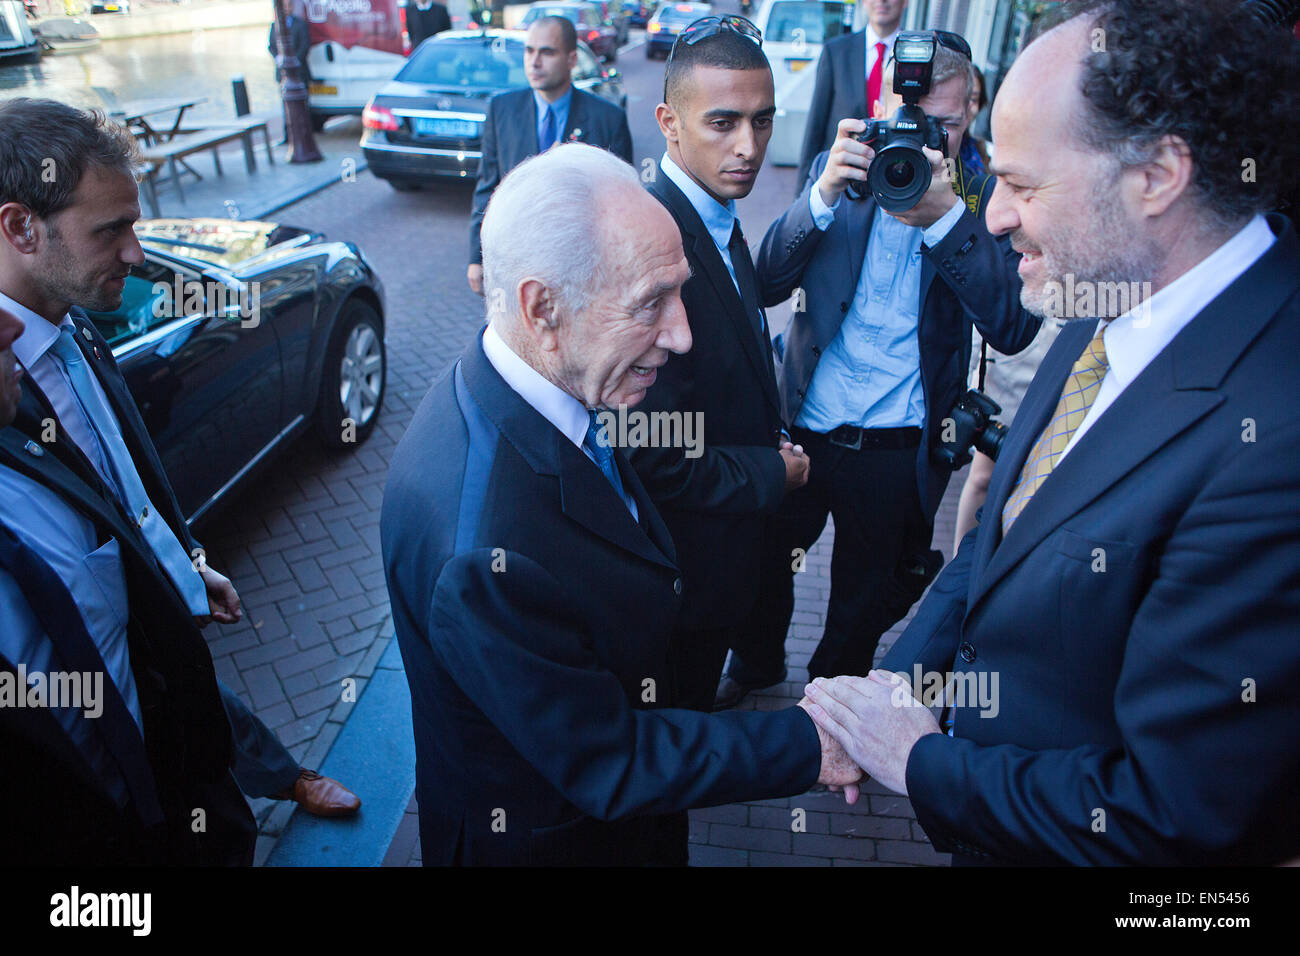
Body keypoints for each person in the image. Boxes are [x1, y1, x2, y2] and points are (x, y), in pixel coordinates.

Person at [803, 0, 1300, 865]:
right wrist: (891, 689)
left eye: (1025, 187)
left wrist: (918, 760)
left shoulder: (1277, 440)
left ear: (1156, 176)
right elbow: (995, 549)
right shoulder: (1100, 290)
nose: (992, 216)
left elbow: (1169, 816)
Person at [382, 143, 860, 867]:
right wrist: (812, 744)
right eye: (648, 305)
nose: (681, 334)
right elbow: (608, 758)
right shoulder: (481, 547)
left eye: (681, 294)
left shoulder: (558, 380)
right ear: (542, 308)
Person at [0, 99, 359, 848]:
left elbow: (129, 489)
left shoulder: (77, 331)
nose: (135, 253)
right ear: (20, 227)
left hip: (177, 732)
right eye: (111, 230)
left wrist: (184, 562)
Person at [716, 36, 1039, 709]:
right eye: (909, 114)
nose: (923, 136)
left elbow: (1013, 326)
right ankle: (757, 663)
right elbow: (766, 282)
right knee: (762, 559)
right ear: (881, 104)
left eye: (944, 125)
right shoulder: (843, 169)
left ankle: (828, 706)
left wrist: (947, 218)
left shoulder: (982, 197)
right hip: (807, 424)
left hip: (898, 442)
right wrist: (823, 194)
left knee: (862, 598)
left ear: (969, 116)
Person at [629, 17, 809, 713]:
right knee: (681, 728)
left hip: (730, 552)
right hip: (688, 575)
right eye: (725, 123)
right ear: (669, 122)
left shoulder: (718, 216)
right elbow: (652, 453)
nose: (750, 148)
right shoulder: (656, 248)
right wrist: (776, 472)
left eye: (763, 122)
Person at [467, 16, 634, 295]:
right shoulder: (501, 111)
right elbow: (487, 189)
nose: (534, 61)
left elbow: (621, 203)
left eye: (547, 52)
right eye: (529, 51)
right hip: (516, 262)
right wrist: (476, 256)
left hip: (584, 268)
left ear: (571, 59)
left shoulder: (608, 119)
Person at [951, 316, 1065, 551]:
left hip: (1061, 363)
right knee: (983, 477)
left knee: (1045, 483)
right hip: (1009, 369)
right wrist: (962, 381)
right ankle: (960, 561)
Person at [796, 0, 908, 193]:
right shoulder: (836, 51)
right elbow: (816, 124)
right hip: (841, 184)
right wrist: (802, 192)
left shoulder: (916, 54)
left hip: (896, 182)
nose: (881, 1)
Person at [268, 0, 314, 145]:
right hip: (283, 74)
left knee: (303, 105)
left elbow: (305, 45)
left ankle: (306, 135)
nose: (286, 8)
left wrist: (293, 63)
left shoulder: (300, 24)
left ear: (292, 7)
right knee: (285, 105)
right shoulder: (274, 25)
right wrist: (279, 59)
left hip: (299, 72)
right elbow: (271, 46)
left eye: (289, 5)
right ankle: (288, 136)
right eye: (284, 5)